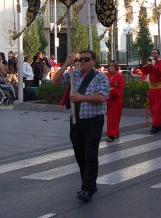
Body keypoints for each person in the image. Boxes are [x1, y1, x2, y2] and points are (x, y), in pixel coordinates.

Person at [52, 50, 109, 203]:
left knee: (90, 155)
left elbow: (102, 97)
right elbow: (55, 81)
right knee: (79, 154)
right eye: (80, 59)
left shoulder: (100, 77)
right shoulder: (74, 75)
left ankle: (87, 188)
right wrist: (65, 64)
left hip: (93, 121)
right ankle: (88, 183)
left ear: (93, 61)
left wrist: (81, 98)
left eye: (86, 59)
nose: (82, 62)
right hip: (76, 120)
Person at [141, 48, 161, 133]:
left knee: (157, 107)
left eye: (155, 53)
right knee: (153, 108)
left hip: (160, 88)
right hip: (152, 88)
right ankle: (160, 124)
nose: (153, 55)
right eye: (152, 53)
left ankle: (155, 125)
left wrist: (154, 65)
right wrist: (147, 64)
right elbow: (144, 71)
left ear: (158, 54)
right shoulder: (150, 63)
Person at [106, 60, 125, 142]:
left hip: (116, 100)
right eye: (110, 65)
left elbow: (120, 90)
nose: (111, 67)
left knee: (113, 118)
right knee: (110, 117)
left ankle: (111, 135)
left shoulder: (119, 76)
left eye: (113, 65)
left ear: (116, 67)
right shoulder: (105, 75)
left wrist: (111, 91)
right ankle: (116, 133)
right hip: (107, 99)